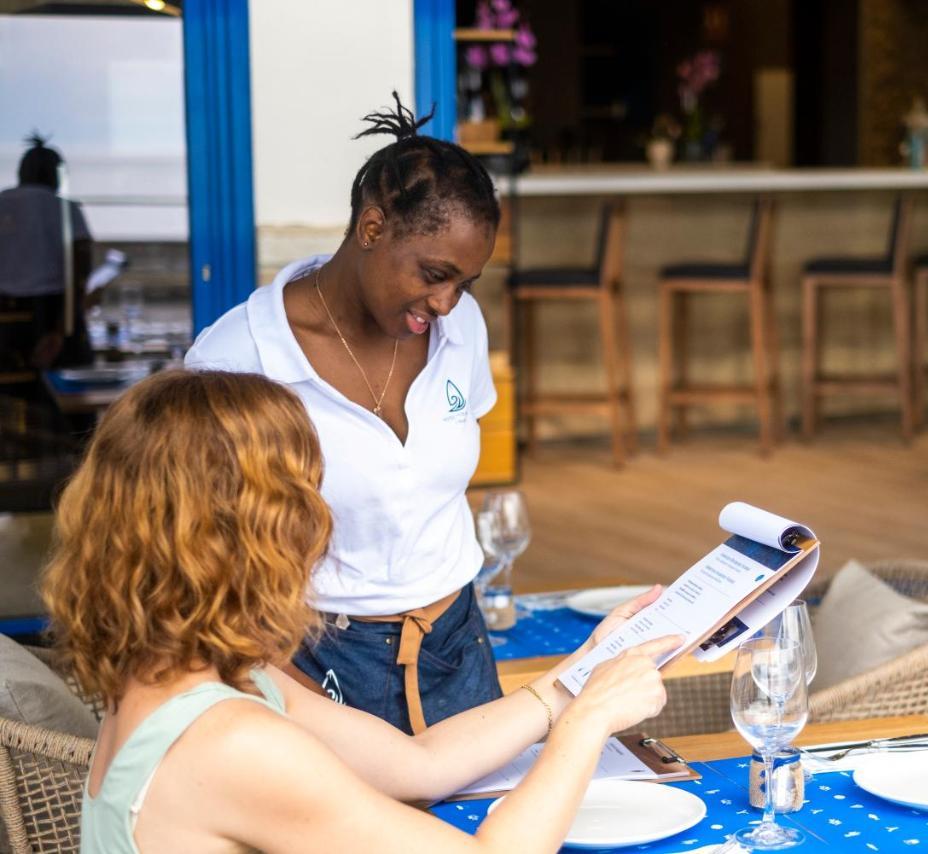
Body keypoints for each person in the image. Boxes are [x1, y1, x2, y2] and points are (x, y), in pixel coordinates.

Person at [41, 369, 678, 853]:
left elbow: (418, 766)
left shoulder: (179, 681)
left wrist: (580, 674)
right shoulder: (232, 742)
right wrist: (587, 725)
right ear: (262, 535)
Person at [185, 93, 520, 734]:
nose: (448, 302)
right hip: (315, 660)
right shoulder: (239, 357)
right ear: (371, 229)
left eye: (465, 284)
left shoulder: (459, 328)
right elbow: (194, 548)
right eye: (434, 273)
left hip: (458, 644)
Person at [0, 133, 93, 377]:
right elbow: (80, 268)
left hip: (5, 310)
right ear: (56, 174)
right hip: (52, 309)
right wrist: (63, 327)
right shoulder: (65, 208)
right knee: (66, 382)